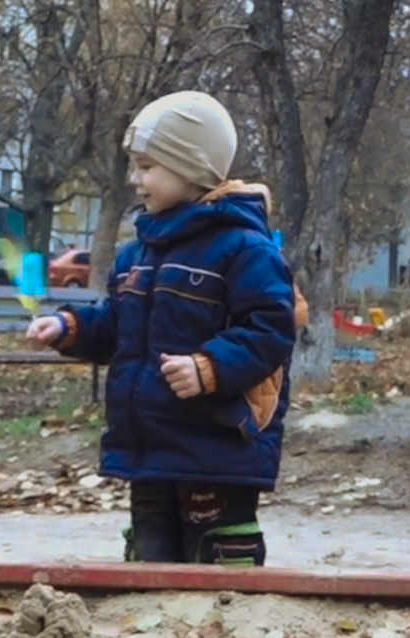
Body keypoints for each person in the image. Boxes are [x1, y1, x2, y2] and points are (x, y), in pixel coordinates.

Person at [28, 92, 296, 566]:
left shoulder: (244, 248)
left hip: (216, 444)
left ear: (190, 168)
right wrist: (69, 327)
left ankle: (227, 602)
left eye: (146, 166)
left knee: (215, 555)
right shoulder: (139, 253)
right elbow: (119, 325)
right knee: (150, 558)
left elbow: (271, 329)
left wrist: (209, 367)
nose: (135, 179)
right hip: (151, 443)